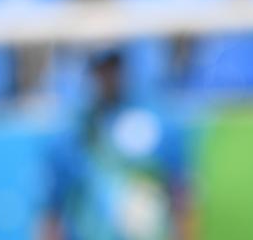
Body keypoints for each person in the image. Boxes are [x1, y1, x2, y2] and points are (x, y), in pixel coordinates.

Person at [43, 48, 194, 240]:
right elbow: (51, 212)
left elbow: (181, 194)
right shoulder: (71, 133)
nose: (108, 75)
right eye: (100, 68)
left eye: (113, 66)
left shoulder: (158, 123)